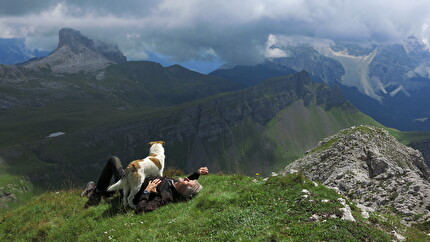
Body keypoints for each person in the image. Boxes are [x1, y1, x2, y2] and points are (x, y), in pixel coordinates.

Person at [82, 156, 209, 214]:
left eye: (187, 181)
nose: (186, 179)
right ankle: (94, 191)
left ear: (184, 189)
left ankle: (95, 195)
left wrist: (147, 191)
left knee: (113, 160)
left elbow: (142, 209)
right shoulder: (176, 184)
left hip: (132, 189)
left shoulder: (166, 195)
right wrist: (197, 173)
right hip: (135, 183)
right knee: (114, 186)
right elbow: (188, 182)